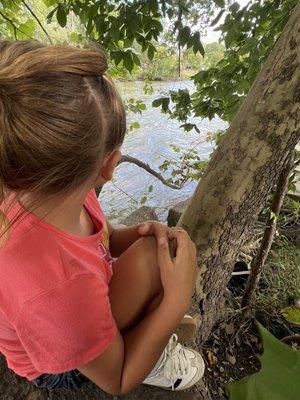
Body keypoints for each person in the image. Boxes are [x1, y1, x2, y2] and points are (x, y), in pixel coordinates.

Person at [0, 40, 205, 395]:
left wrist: (140, 232)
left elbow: (104, 238)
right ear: (109, 164)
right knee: (157, 277)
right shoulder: (55, 289)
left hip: (70, 318)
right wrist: (175, 300)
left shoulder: (51, 193)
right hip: (62, 366)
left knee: (152, 252)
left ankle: (144, 325)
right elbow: (118, 381)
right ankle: (155, 355)